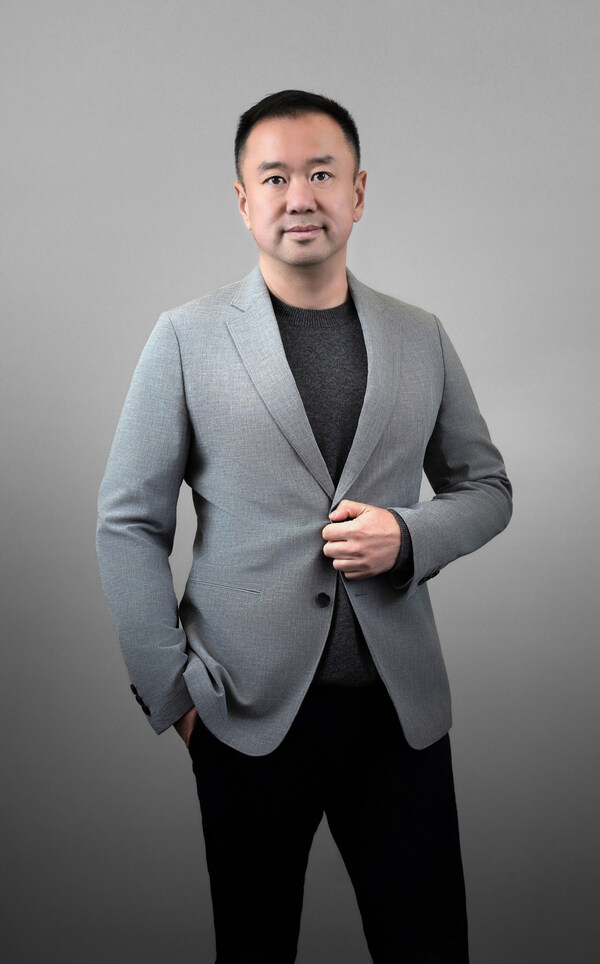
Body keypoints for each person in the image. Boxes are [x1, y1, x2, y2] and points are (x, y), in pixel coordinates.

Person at [97, 89, 512, 963]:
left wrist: (410, 537)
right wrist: (174, 696)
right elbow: (128, 523)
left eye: (322, 174)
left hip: (398, 718)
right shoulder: (185, 338)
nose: (300, 197)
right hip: (241, 715)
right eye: (275, 177)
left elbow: (485, 487)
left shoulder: (422, 335)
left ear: (357, 192)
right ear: (242, 198)